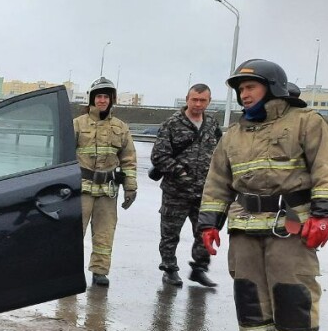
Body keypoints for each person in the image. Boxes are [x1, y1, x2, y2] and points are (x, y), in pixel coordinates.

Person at [198, 59, 328, 331]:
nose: (243, 95)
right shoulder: (233, 135)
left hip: (290, 225)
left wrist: (324, 214)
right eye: (240, 89)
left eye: (250, 87)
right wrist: (208, 223)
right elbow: (217, 182)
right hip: (245, 225)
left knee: (294, 293)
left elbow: (327, 169)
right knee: (249, 294)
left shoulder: (306, 123)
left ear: (272, 86)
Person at [150, 84, 223, 287]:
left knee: (205, 232)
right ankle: (169, 269)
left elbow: (221, 152)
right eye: (194, 100)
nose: (198, 104)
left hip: (204, 192)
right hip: (176, 191)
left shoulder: (211, 124)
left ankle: (199, 268)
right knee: (170, 233)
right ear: (187, 99)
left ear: (209, 101)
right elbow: (159, 156)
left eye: (203, 100)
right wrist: (180, 173)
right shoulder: (172, 124)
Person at [74, 76, 138, 287]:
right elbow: (64, 155)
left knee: (104, 233)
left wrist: (130, 187)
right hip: (81, 188)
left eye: (106, 97)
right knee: (74, 232)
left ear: (111, 100)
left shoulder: (121, 127)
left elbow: (129, 159)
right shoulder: (77, 124)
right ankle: (70, 269)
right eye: (98, 96)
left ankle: (100, 271)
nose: (102, 100)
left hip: (107, 190)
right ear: (92, 99)